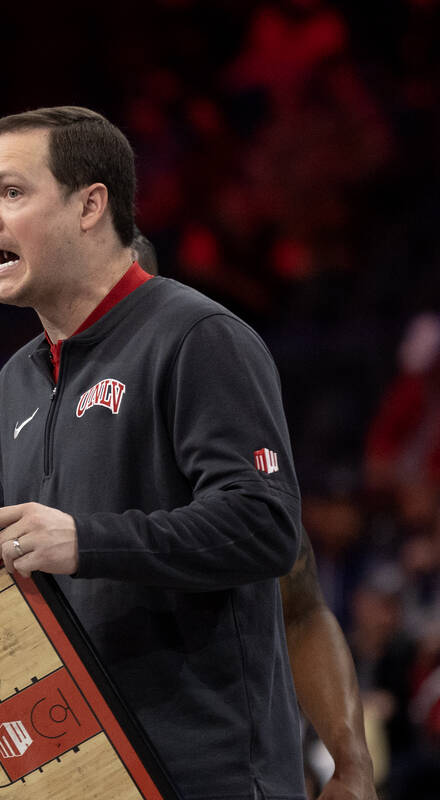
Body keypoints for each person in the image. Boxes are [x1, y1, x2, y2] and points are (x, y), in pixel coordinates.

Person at [0, 106, 307, 798]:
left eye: (12, 193)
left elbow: (265, 526)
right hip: (87, 773)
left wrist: (82, 540)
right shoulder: (19, 379)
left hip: (210, 772)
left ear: (90, 206)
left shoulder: (197, 336)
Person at [135, 231, 376, 798]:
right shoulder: (13, 423)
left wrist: (351, 763)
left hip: (227, 768)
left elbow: (301, 610)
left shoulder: (217, 426)